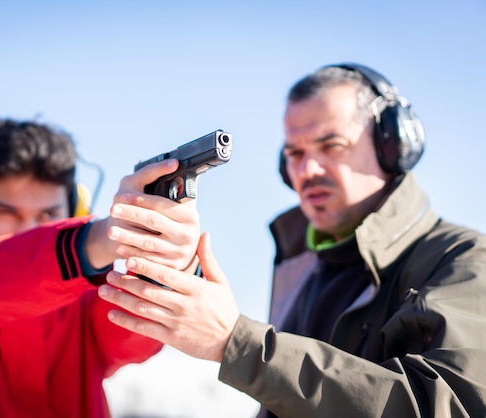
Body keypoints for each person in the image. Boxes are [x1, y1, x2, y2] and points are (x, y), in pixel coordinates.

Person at [97, 63, 486, 417]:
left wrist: (237, 343)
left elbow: (445, 408)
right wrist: (178, 264)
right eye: (294, 153)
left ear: (393, 145)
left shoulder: (465, 259)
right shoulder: (308, 269)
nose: (307, 169)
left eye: (331, 146)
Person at [0, 118, 201, 418]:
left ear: (75, 209)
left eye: (48, 214)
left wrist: (167, 260)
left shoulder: (88, 299)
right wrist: (91, 242)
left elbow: (137, 330)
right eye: (7, 212)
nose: (29, 229)